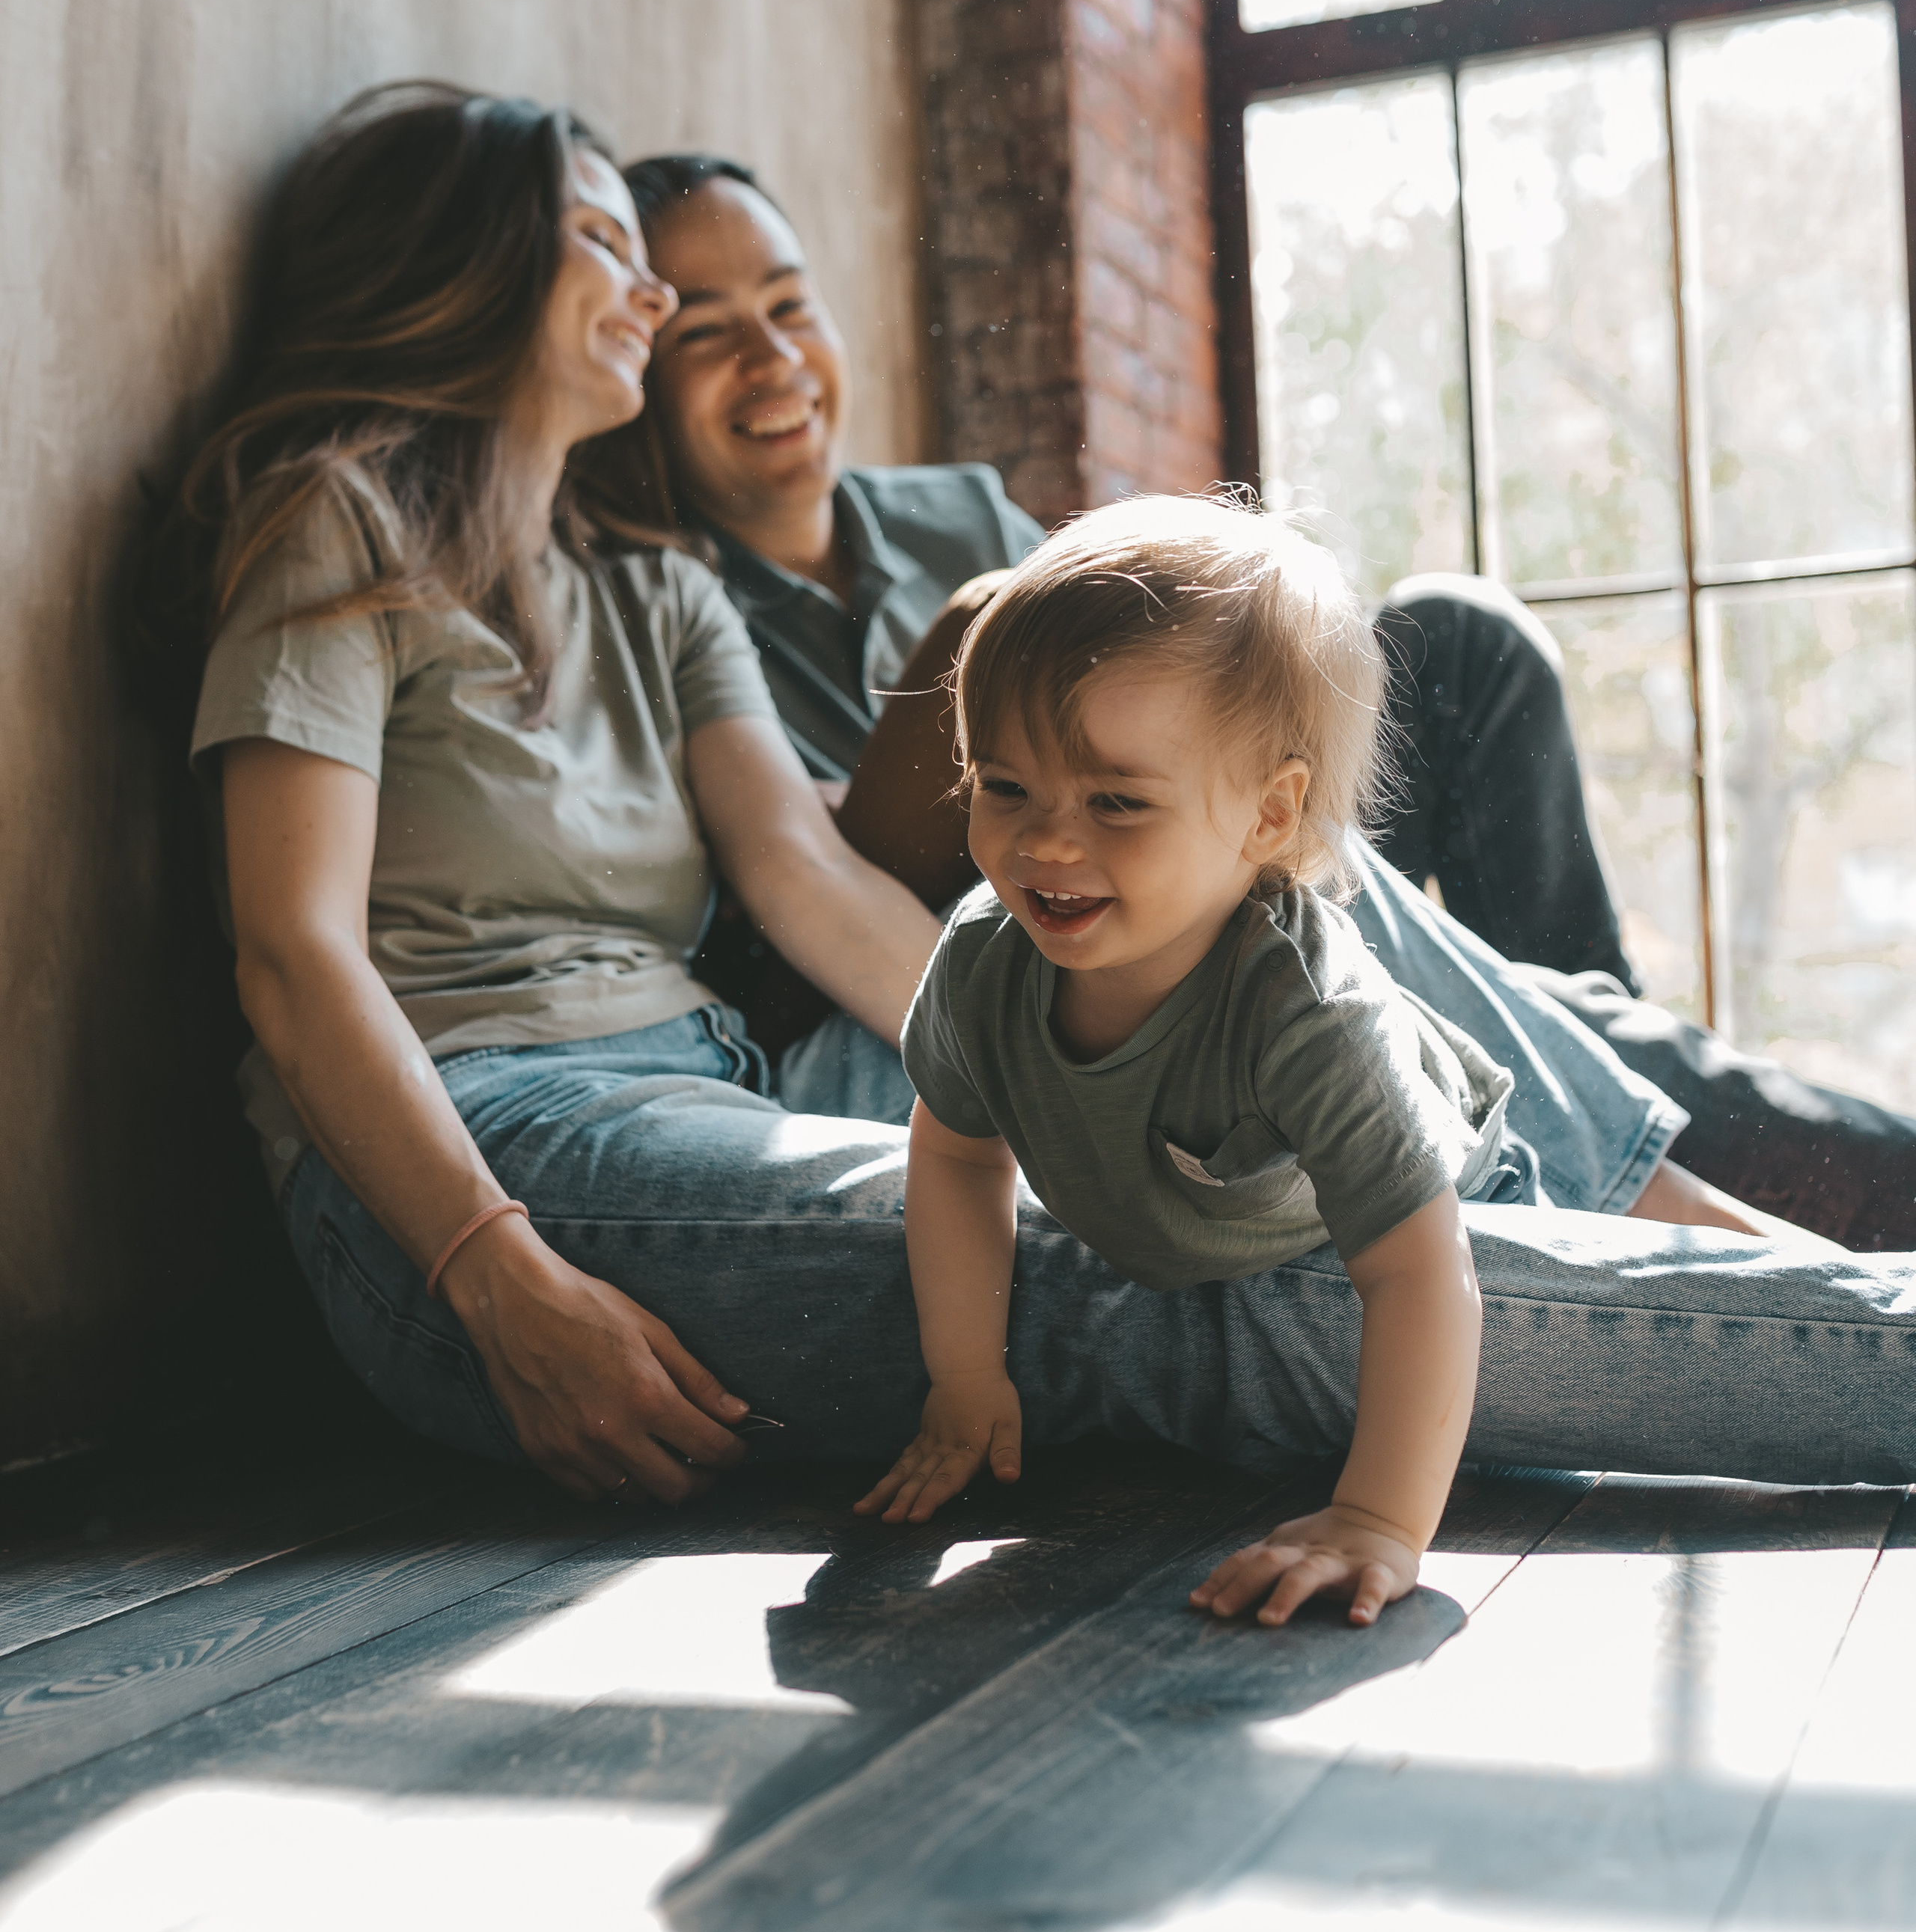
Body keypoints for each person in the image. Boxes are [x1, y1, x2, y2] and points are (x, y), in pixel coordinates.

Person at [173, 79, 1916, 1518]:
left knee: (1251, 892)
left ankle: (1726, 1258)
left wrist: (1084, 1025)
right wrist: (494, 1274)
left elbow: (810, 885)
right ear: (475, 263)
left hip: (722, 1082)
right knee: (1149, 1262)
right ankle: (1861, 1350)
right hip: (480, 1153)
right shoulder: (343, 528)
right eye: (602, 246)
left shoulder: (654, 595)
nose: (640, 290)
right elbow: (291, 962)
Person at [626, 153, 1916, 1252]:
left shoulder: (950, 506)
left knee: (1451, 648)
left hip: (1166, 878)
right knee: (1286, 859)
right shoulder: (666, 608)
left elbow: (1162, 687)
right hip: (1003, 950)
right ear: (638, 367)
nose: (770, 357)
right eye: (704, 332)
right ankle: (1668, 1154)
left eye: (789, 306)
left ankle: (1572, 1034)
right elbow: (815, 872)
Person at [860, 498, 1528, 1639]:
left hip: (1449, 1209)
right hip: (1214, 1231)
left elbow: (1421, 1273)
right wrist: (966, 1377)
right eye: (1005, 786)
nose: (1046, 842)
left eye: (1116, 802)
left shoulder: (1301, 1008)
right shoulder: (982, 960)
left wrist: (1378, 1519)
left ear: (1269, 816)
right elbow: (959, 1156)